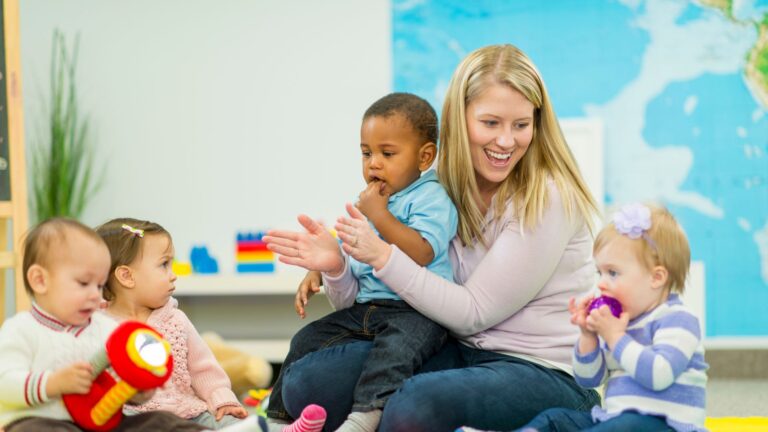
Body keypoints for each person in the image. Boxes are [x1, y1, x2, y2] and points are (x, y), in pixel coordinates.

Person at [265, 44, 602, 432]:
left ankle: (568, 422)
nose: (507, 141)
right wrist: (338, 266)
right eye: (491, 123)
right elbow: (370, 297)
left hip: (539, 369)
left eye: (521, 125)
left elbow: (473, 313)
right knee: (310, 383)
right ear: (459, 121)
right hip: (458, 350)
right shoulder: (435, 188)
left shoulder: (549, 196)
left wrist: (382, 257)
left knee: (412, 406)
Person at [264, 92, 458, 432]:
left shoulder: (431, 197)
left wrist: (379, 215)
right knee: (307, 338)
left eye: (387, 153)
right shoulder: (370, 201)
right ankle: (279, 418)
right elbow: (351, 245)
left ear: (424, 156)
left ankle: (365, 417)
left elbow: (423, 251)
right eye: (366, 153)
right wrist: (322, 268)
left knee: (393, 355)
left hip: (416, 312)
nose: (373, 163)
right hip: (368, 308)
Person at [95, 218, 326, 432]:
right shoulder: (98, 328)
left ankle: (285, 430)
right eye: (164, 265)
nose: (173, 275)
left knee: (235, 423)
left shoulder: (175, 319)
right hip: (135, 421)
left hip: (190, 413)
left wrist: (222, 400)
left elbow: (204, 369)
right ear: (126, 276)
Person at [510, 203, 707, 432]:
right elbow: (589, 380)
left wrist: (615, 337)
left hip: (666, 426)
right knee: (556, 419)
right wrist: (588, 337)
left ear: (656, 278)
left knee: (628, 424)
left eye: (613, 273)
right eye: (600, 272)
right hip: (614, 422)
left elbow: (658, 374)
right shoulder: (619, 323)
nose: (601, 283)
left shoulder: (678, 320)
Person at [0, 218, 206, 431]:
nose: (94, 295)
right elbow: (4, 384)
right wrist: (53, 384)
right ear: (40, 280)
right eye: (83, 283)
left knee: (159, 420)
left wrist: (138, 390)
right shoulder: (21, 329)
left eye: (99, 285)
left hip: (103, 422)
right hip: (43, 420)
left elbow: (119, 384)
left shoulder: (106, 328)